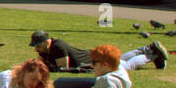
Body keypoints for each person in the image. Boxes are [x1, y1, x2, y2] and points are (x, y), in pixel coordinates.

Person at [29, 30, 166, 73]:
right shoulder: (46, 50)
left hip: (94, 61)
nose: (36, 50)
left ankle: (151, 55)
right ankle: (146, 49)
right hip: (94, 56)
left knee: (125, 65)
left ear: (47, 42)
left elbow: (63, 68)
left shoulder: (58, 46)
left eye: (38, 46)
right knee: (121, 58)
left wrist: (49, 68)